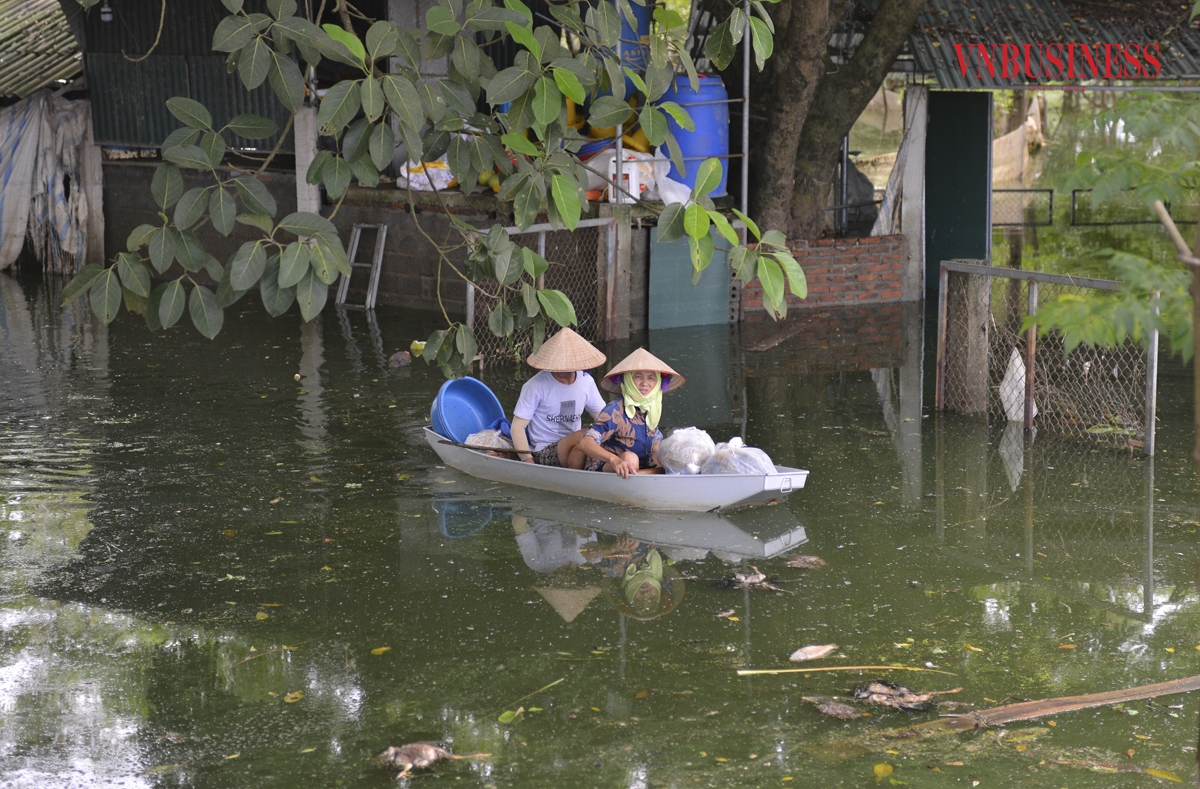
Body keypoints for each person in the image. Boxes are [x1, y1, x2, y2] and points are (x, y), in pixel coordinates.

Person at [579, 348, 686, 478]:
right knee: (630, 459)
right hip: (608, 468)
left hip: (640, 467)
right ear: (628, 380)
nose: (644, 383)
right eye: (638, 376)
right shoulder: (615, 410)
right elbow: (585, 443)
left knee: (665, 452)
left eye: (651, 378)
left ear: (658, 382)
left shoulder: (652, 408)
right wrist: (614, 460)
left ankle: (642, 475)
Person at [511, 328, 607, 468]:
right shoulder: (535, 385)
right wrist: (528, 461)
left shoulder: (586, 381)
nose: (562, 367)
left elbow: (603, 417)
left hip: (576, 446)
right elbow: (517, 427)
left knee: (589, 440)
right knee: (584, 435)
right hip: (542, 451)